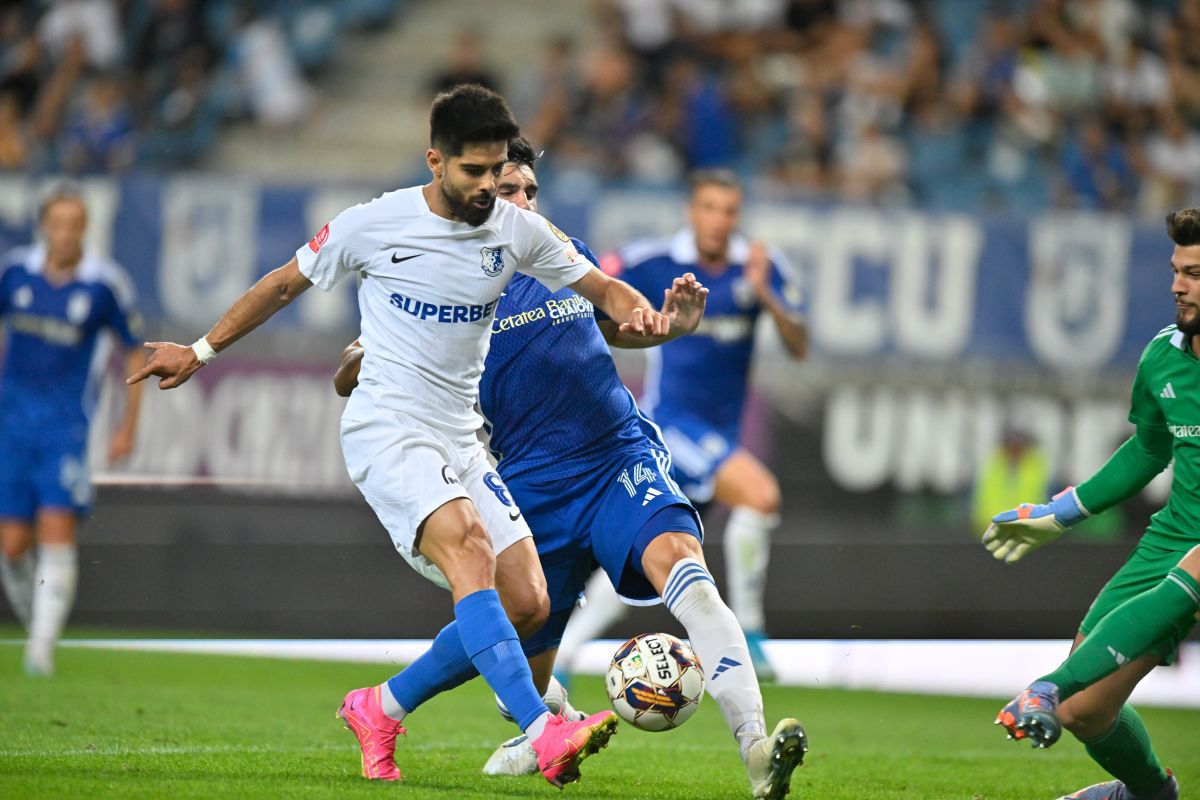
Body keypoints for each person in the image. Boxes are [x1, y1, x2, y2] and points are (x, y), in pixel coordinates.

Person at [127, 85, 673, 787]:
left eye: (496, 171)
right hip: (389, 427)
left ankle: (380, 706)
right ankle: (543, 732)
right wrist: (200, 351)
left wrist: (646, 317)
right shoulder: (375, 223)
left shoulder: (518, 230)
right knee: (470, 554)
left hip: (460, 437)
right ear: (435, 160)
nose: (487, 188)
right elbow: (282, 284)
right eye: (473, 172)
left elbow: (605, 289)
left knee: (530, 602)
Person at [335, 136, 807, 800]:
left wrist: (674, 325)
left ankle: (755, 748)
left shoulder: (559, 253)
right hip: (530, 484)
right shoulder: (437, 284)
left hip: (618, 457)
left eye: (531, 189)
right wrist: (370, 354)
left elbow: (619, 327)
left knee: (687, 572)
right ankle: (395, 705)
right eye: (509, 192)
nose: (525, 202)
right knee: (520, 650)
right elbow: (349, 372)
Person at [558, 167, 808, 682]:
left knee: (660, 556)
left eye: (729, 210)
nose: (719, 221)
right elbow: (590, 285)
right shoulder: (653, 261)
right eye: (710, 208)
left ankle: (561, 654)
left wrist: (769, 297)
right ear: (691, 211)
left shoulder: (758, 268)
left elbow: (799, 346)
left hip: (721, 432)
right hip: (671, 424)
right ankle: (753, 637)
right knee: (760, 496)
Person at [983, 209, 1200, 800]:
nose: (1179, 285)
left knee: (1064, 688)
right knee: (1085, 708)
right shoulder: (1163, 357)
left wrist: (1047, 685)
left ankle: (1046, 685)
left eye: (1196, 273)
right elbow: (1148, 451)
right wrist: (1061, 513)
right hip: (1175, 540)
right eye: (1178, 271)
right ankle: (1151, 793)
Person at [0, 187, 145, 676]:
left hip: (65, 426)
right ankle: (36, 626)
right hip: (11, 424)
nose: (64, 233)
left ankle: (40, 651)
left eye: (74, 224)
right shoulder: (15, 272)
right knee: (12, 544)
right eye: (56, 223)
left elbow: (133, 350)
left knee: (57, 527)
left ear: (85, 228)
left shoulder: (105, 285)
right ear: (43, 225)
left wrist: (127, 425)